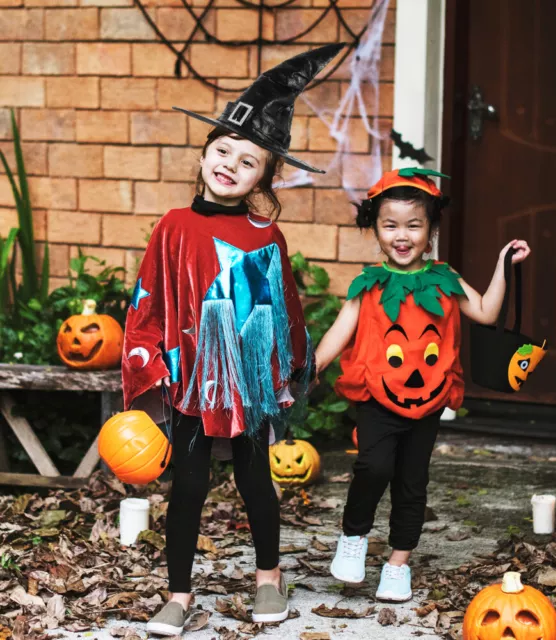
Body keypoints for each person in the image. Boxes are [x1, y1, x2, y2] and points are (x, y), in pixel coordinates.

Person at [122, 43, 344, 635]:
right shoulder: (173, 226)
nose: (229, 165)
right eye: (221, 151)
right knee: (189, 484)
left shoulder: (265, 235)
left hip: (246, 381)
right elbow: (148, 297)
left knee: (254, 479)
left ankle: (268, 578)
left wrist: (292, 366)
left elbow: (285, 309)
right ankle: (178, 593)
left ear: (264, 177)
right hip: (193, 376)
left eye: (247, 161)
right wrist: (149, 359)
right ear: (204, 153)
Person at [314, 167, 531, 603]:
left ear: (431, 230)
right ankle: (354, 538)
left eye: (414, 225)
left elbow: (487, 312)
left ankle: (398, 564)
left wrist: (503, 264)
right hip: (379, 396)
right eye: (390, 225)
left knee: (412, 483)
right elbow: (339, 332)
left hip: (428, 400)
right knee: (373, 468)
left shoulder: (445, 280)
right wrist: (310, 368)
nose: (402, 235)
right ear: (375, 228)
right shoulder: (369, 286)